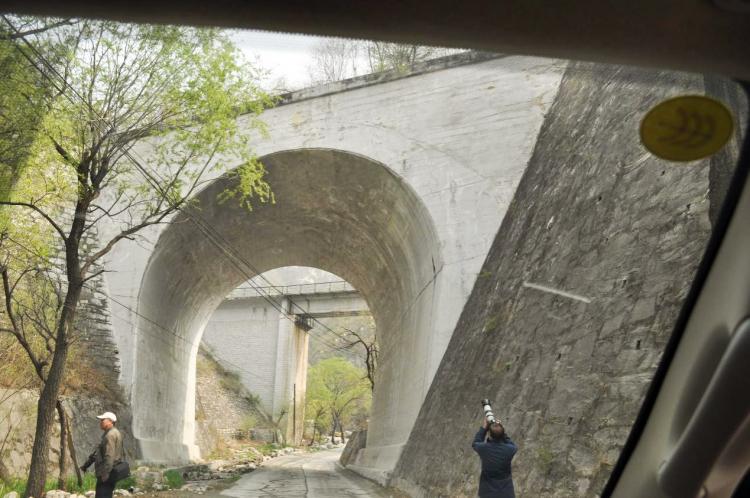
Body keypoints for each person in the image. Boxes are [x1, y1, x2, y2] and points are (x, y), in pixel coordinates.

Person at [472, 414, 517, 498]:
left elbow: (475, 443)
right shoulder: (510, 450)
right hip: (506, 492)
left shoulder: (484, 448)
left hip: (487, 492)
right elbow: (512, 445)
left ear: (489, 434)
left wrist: (484, 427)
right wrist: (502, 432)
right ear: (502, 434)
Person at [81, 411, 124, 498]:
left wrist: (105, 473)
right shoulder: (114, 432)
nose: (100, 422)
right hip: (110, 472)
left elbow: (109, 455)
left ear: (111, 421)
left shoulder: (110, 435)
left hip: (106, 473)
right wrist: (86, 465)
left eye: (103, 420)